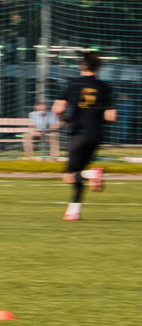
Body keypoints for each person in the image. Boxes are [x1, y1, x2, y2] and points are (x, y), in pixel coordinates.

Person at [54, 51, 118, 221]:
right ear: (98, 67)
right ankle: (73, 211)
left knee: (68, 176)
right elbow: (111, 117)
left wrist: (64, 119)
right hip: (96, 134)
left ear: (82, 66)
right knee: (78, 172)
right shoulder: (105, 87)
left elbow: (57, 108)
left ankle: (92, 175)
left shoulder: (72, 83)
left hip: (79, 132)